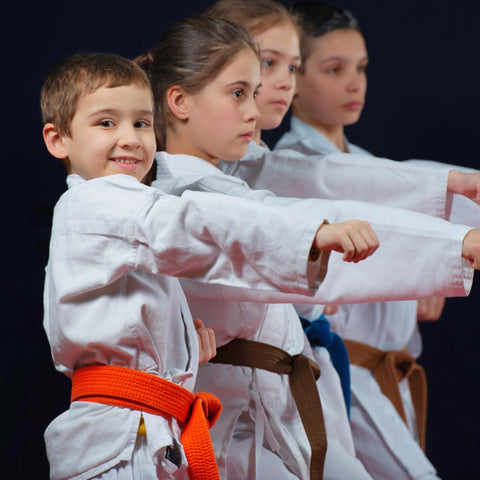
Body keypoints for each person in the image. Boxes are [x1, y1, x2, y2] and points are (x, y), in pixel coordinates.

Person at [138, 11, 480, 480]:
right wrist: (456, 242)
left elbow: (323, 181)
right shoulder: (183, 198)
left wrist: (456, 212)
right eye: (241, 93)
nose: (256, 110)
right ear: (179, 100)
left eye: (254, 93)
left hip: (270, 411)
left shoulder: (222, 179)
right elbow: (288, 221)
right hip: (229, 424)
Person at [40, 52, 384, 480]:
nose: (129, 138)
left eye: (142, 123)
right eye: (107, 123)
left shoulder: (120, 210)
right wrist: (310, 234)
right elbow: (192, 225)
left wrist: (181, 350)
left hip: (145, 432)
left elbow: (121, 321)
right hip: (118, 442)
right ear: (58, 140)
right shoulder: (95, 203)